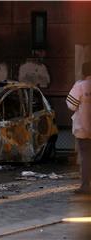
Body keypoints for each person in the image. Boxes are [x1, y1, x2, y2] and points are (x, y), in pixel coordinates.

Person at [66, 61, 91, 194]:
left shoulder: (80, 86)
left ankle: (86, 186)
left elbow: (71, 105)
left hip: (83, 129)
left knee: (86, 157)